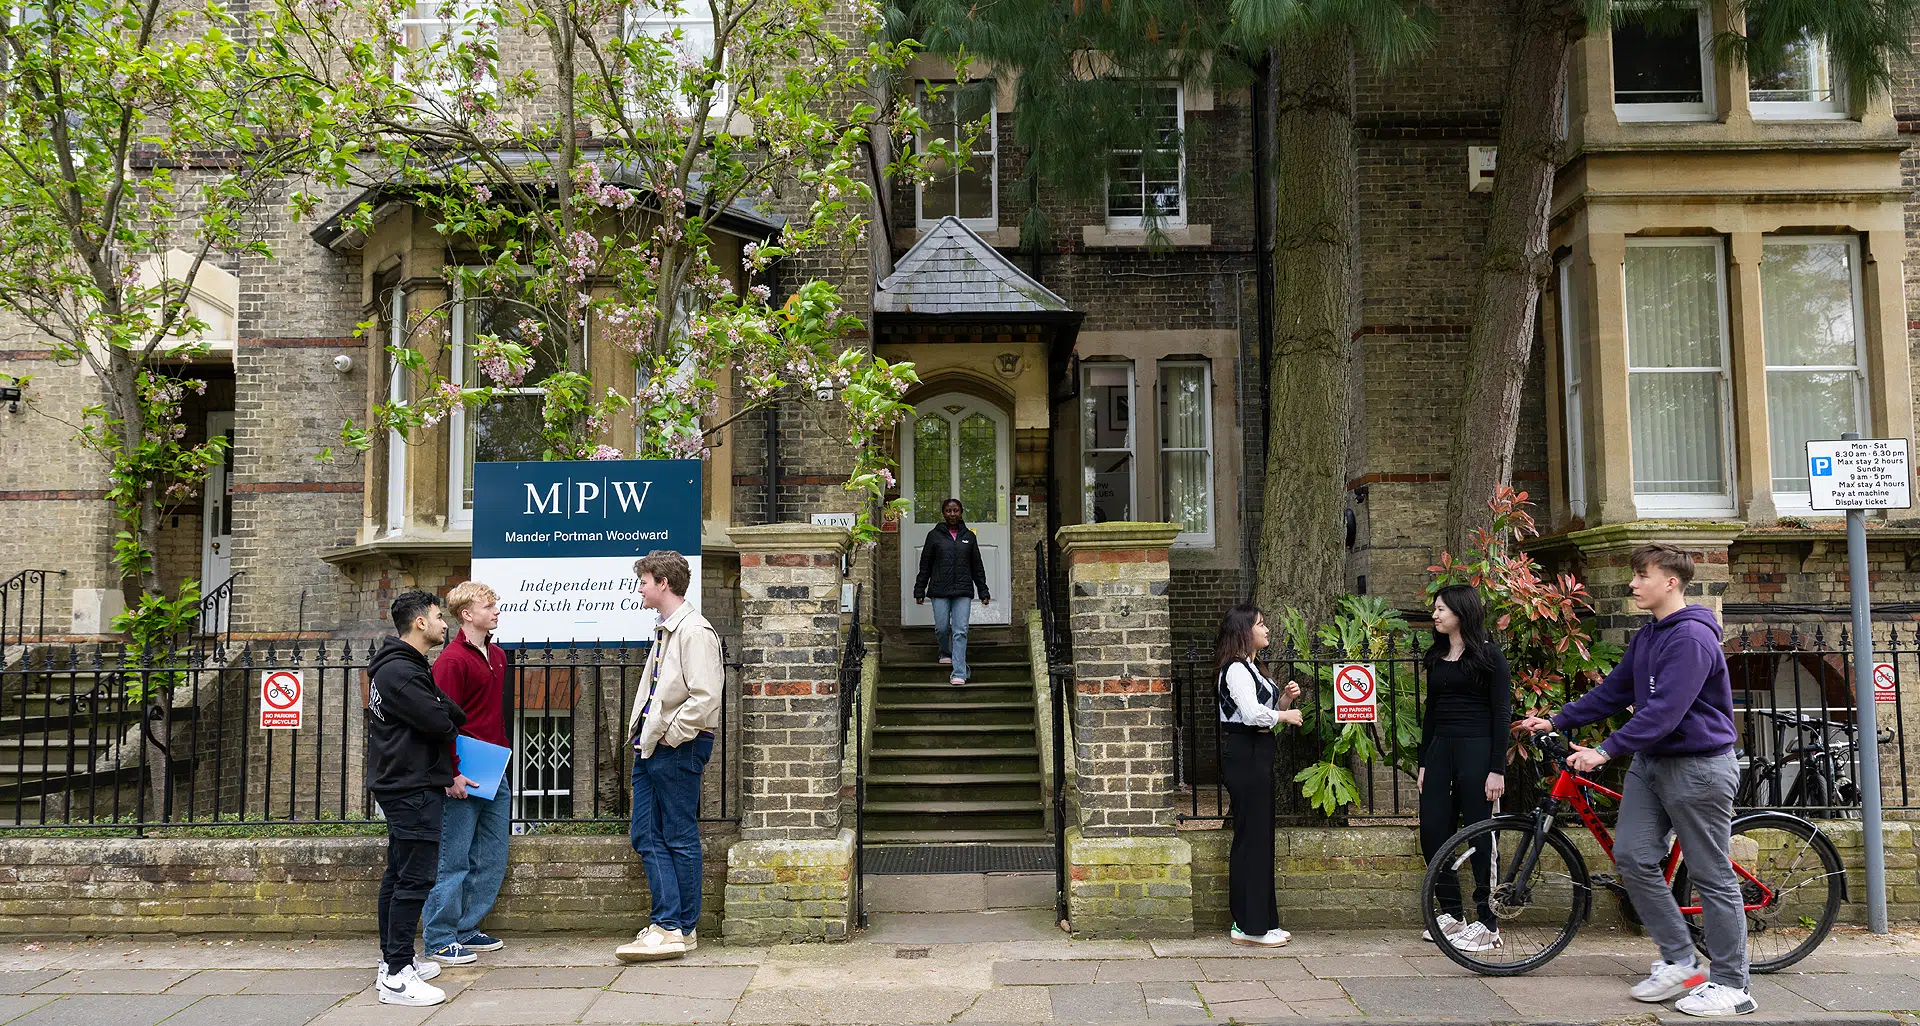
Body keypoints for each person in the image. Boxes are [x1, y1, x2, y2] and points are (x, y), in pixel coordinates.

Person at [1516, 544, 1751, 1018]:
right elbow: (1615, 691)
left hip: (1699, 767)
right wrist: (1557, 721)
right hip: (1653, 763)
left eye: (1642, 575)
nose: (1633, 583)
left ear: (1671, 582)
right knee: (1633, 856)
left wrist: (1605, 750)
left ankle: (1732, 984)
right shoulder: (1650, 635)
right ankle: (1681, 961)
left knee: (1710, 874)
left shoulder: (1690, 638)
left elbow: (1666, 711)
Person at [615, 550, 724, 963]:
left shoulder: (694, 631)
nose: (639, 588)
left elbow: (705, 697)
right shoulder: (668, 629)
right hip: (653, 745)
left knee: (678, 835)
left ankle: (674, 927)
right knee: (645, 833)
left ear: (663, 582)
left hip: (674, 747)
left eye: (643, 581)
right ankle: (672, 924)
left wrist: (670, 737)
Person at [366, 590, 465, 1007]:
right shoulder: (401, 674)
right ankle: (396, 975)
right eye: (439, 617)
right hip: (411, 785)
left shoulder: (404, 668)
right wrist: (443, 712)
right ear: (420, 622)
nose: (445, 624)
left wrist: (443, 711)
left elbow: (448, 714)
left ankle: (394, 959)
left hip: (406, 781)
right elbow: (442, 721)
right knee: (415, 877)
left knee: (399, 872)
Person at [1417, 584, 1512, 952]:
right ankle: (1453, 915)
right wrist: (1425, 761)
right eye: (1435, 608)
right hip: (1442, 751)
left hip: (1477, 751)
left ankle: (1488, 923)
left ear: (1461, 611)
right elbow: (1431, 714)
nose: (1435, 614)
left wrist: (1496, 768)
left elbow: (1502, 713)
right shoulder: (1436, 657)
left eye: (1441, 608)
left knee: (1481, 836)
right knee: (1433, 832)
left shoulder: (1490, 656)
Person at [422, 580, 512, 965]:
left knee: (492, 854)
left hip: (495, 766)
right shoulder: (451, 661)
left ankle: (466, 927)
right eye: (488, 606)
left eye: (495, 605)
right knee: (453, 857)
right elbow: (441, 723)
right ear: (466, 614)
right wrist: (451, 774)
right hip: (461, 770)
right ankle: (439, 937)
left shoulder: (498, 655)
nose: (495, 611)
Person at [1214, 602, 1302, 947]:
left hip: (1258, 752)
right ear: (1244, 631)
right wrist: (1285, 717)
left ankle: (1262, 921)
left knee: (1261, 837)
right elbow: (1250, 716)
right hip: (1245, 752)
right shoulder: (1235, 669)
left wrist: (1282, 701)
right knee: (1251, 838)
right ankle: (1247, 926)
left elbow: (1260, 710)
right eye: (1261, 624)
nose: (1266, 630)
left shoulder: (1252, 668)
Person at [913, 497, 991, 686]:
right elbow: (925, 565)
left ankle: (959, 672)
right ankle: (945, 652)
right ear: (943, 513)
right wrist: (919, 589)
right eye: (949, 511)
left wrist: (983, 590)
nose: (952, 514)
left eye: (956, 510)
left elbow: (977, 566)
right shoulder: (934, 536)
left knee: (960, 630)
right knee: (941, 628)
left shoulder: (969, 537)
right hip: (939, 589)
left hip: (963, 590)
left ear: (961, 512)